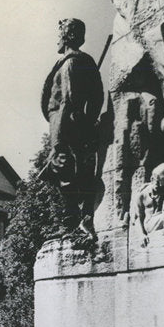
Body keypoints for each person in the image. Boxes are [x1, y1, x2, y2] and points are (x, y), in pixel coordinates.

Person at [40, 17, 105, 238]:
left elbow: (67, 99)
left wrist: (57, 140)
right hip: (75, 124)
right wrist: (88, 120)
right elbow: (97, 97)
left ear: (67, 37)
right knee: (67, 173)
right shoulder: (83, 61)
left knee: (62, 170)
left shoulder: (69, 63)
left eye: (59, 35)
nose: (57, 40)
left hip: (65, 125)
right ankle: (76, 221)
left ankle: (70, 224)